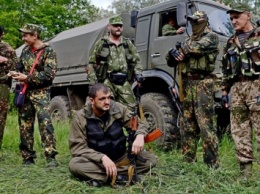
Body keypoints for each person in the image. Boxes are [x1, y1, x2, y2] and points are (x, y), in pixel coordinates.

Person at [69, 83, 157, 187]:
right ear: (92, 101)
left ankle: (106, 177)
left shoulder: (118, 109)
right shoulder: (80, 118)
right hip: (97, 162)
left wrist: (140, 136)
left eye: (108, 98)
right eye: (102, 99)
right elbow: (78, 147)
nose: (107, 102)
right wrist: (102, 158)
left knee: (151, 160)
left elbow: (140, 123)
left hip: (120, 157)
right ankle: (122, 176)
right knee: (74, 165)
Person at [166, 11, 220, 168]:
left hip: (204, 85)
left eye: (197, 21)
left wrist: (180, 46)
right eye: (191, 21)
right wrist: (172, 53)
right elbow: (172, 61)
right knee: (187, 125)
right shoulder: (188, 40)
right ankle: (188, 162)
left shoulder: (211, 37)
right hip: (188, 85)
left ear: (204, 21)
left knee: (205, 126)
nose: (193, 24)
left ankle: (212, 165)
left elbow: (193, 49)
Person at [10, 24, 58, 167]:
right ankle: (27, 158)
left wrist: (27, 78)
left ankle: (51, 157)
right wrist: (14, 73)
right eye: (23, 34)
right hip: (25, 93)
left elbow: (49, 75)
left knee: (45, 124)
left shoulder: (48, 51)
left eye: (26, 34)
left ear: (35, 35)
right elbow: (19, 67)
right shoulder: (25, 51)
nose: (23, 37)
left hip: (41, 93)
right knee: (25, 125)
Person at [222, 3, 260, 179]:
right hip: (236, 89)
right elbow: (225, 70)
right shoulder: (230, 42)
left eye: (237, 17)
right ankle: (246, 174)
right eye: (231, 19)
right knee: (239, 131)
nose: (233, 21)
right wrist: (225, 92)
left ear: (248, 15)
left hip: (257, 86)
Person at [88, 15, 143, 111]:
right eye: (115, 25)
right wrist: (93, 83)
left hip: (124, 81)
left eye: (120, 26)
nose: (118, 28)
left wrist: (138, 73)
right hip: (107, 81)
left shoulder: (127, 43)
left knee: (131, 108)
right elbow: (91, 63)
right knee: (106, 107)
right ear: (109, 27)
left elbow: (137, 61)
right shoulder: (101, 43)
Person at [0, 25, 18, 149]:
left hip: (2, 86)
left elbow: (17, 68)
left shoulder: (8, 49)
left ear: (2, 35)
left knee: (0, 118)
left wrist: (6, 61)